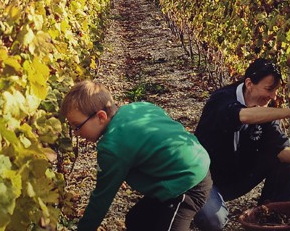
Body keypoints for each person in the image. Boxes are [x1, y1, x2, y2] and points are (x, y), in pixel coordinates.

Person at [64, 80, 213, 231]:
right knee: (137, 221)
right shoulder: (137, 107)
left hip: (187, 185)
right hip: (195, 162)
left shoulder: (112, 147)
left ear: (101, 117)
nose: (76, 133)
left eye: (77, 126)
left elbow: (101, 198)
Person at [193, 58, 290, 231]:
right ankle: (193, 203)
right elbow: (242, 116)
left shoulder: (265, 110)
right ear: (249, 83)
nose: (273, 96)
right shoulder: (221, 100)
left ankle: (271, 217)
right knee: (214, 220)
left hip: (238, 175)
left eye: (275, 90)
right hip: (207, 178)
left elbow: (282, 152)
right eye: (269, 89)